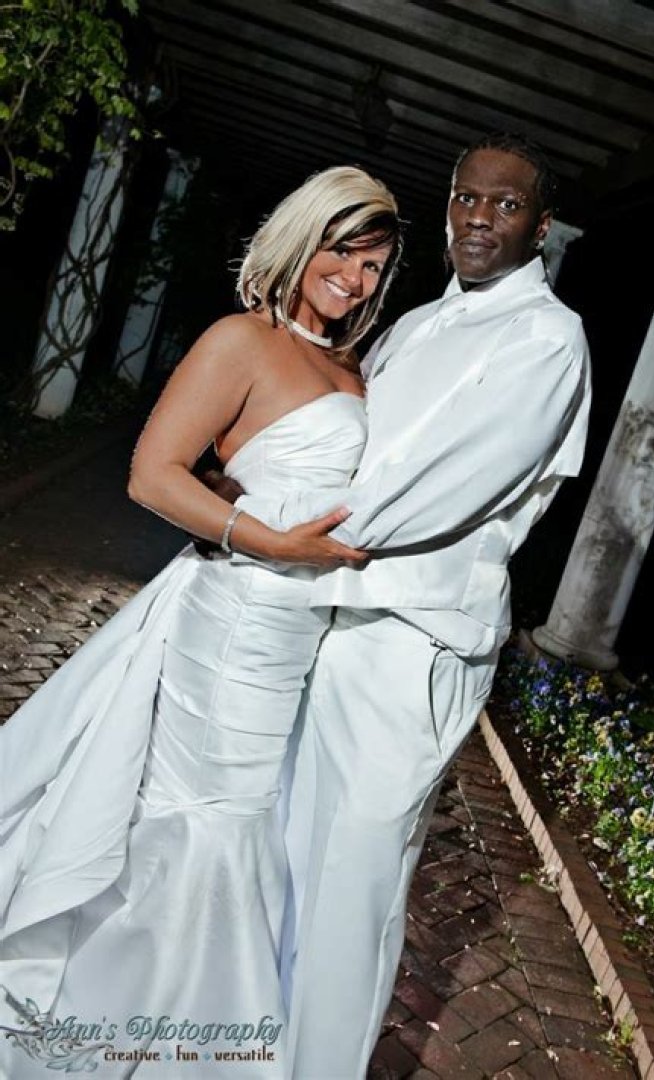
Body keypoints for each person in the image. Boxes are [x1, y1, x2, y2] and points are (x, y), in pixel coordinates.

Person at [0, 165, 401, 1078]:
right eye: (343, 251)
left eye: (374, 265)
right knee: (207, 824)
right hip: (233, 625)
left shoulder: (351, 367)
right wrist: (272, 541)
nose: (355, 278)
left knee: (245, 823)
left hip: (299, 632)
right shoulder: (242, 339)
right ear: (303, 239)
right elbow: (153, 474)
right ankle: (129, 1031)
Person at [232, 132, 593, 1078]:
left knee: (355, 881)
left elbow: (438, 492)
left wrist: (271, 537)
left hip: (414, 638)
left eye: (506, 205)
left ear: (541, 227)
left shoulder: (546, 338)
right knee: (289, 851)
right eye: (467, 198)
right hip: (332, 615)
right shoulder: (419, 323)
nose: (479, 217)